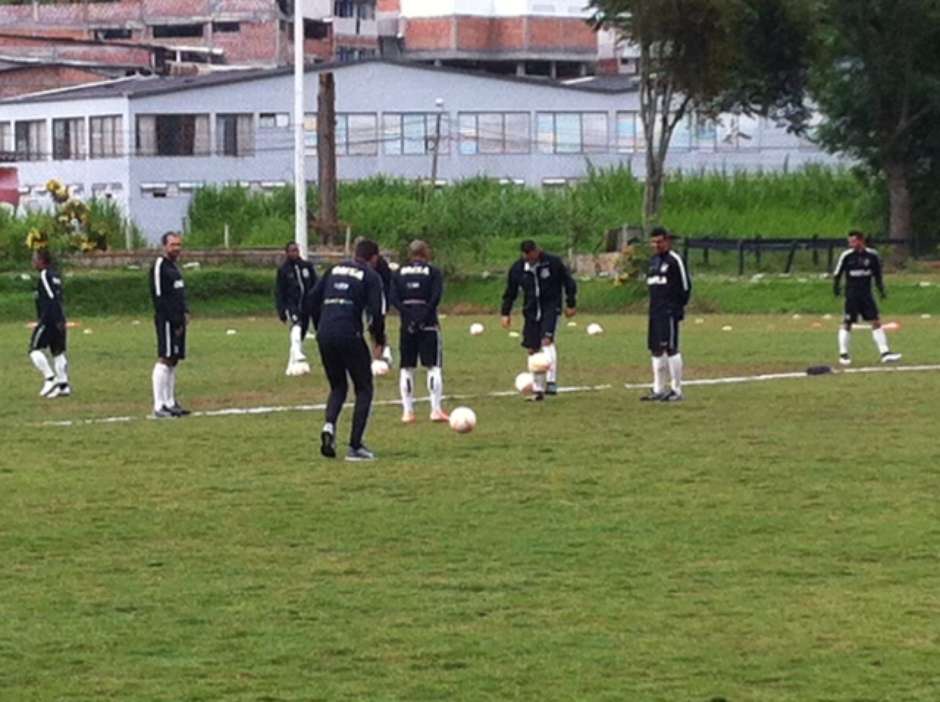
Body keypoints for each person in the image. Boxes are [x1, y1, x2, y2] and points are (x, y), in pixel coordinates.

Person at [308, 238, 387, 462]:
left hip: (325, 334)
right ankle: (355, 446)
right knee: (364, 388)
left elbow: (312, 299)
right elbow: (377, 313)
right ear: (374, 258)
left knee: (338, 387)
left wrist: (319, 325)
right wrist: (378, 341)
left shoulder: (333, 270)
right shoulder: (371, 276)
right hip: (349, 334)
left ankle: (329, 427)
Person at [501, 240, 577, 400]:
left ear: (537, 251)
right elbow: (510, 292)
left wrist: (570, 303)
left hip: (551, 307)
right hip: (530, 310)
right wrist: (505, 313)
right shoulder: (518, 269)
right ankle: (537, 387)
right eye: (527, 255)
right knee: (531, 348)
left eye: (532, 254)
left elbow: (568, 282)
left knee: (547, 341)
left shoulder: (553, 263)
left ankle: (551, 382)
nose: (530, 257)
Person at [391, 240, 447, 424]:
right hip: (428, 322)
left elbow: (393, 298)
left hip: (406, 323)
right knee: (433, 366)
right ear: (425, 252)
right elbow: (436, 296)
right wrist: (423, 315)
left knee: (407, 367)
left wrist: (408, 315)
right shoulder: (433, 272)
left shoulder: (399, 272)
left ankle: (407, 412)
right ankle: (435, 410)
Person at [832, 230, 901, 365]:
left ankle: (885, 353)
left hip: (866, 295)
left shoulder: (872, 255)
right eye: (849, 241)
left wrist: (881, 290)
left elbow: (877, 275)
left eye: (853, 241)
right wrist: (836, 288)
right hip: (852, 295)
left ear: (861, 241)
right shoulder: (846, 256)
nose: (851, 244)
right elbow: (837, 273)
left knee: (875, 321)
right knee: (847, 323)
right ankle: (843, 354)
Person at [642, 227, 691, 402]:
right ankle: (658, 389)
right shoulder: (653, 261)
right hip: (655, 311)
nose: (656, 245)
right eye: (653, 242)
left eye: (659, 241)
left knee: (670, 348)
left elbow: (685, 287)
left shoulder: (674, 260)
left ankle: (676, 390)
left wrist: (676, 307)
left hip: (669, 311)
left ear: (667, 241)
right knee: (656, 349)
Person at [149, 231, 190, 418]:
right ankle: (159, 405)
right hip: (166, 320)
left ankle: (170, 401)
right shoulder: (159, 265)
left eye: (179, 245)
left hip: (178, 320)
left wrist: (184, 313)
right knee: (165, 357)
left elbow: (179, 294)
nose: (176, 248)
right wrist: (171, 318)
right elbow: (159, 296)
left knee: (174, 360)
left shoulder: (175, 267)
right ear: (164, 246)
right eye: (173, 245)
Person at [28, 248, 71, 398]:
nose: (33, 262)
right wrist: (61, 319)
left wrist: (52, 318)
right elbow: (59, 298)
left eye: (35, 258)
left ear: (41, 261)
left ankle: (50, 378)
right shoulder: (55, 274)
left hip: (49, 320)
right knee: (58, 352)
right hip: (59, 319)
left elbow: (52, 297)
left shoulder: (45, 275)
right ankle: (63, 385)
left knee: (34, 349)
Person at [275, 241, 318, 376]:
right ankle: (298, 353)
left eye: (296, 250)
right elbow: (279, 292)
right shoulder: (284, 270)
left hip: (306, 306)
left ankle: (291, 364)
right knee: (296, 325)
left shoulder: (306, 266)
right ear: (287, 253)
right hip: (291, 305)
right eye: (292, 250)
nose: (295, 253)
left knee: (302, 333)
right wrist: (281, 310)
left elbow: (315, 284)